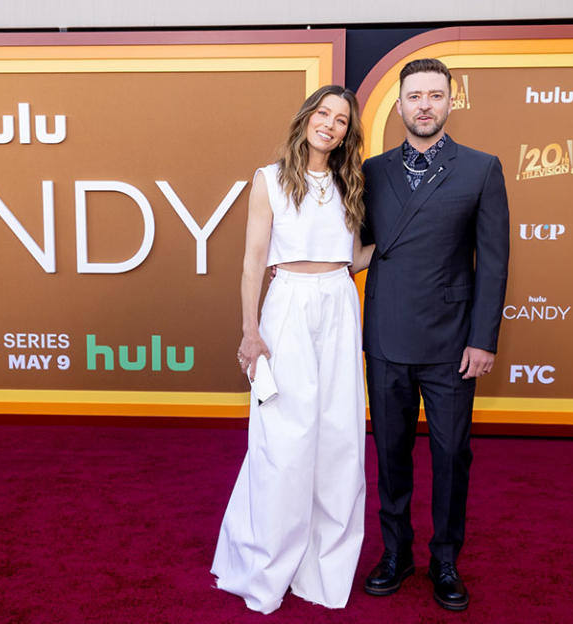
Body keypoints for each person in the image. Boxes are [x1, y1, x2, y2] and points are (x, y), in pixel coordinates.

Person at [211, 85, 374, 614]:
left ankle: (323, 570)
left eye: (342, 120)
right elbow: (252, 262)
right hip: (286, 310)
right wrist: (250, 331)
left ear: (349, 133)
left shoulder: (352, 183)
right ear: (306, 118)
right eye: (323, 113)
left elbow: (353, 258)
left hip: (339, 307)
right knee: (283, 443)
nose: (330, 124)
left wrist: (422, 241)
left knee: (339, 439)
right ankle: (265, 565)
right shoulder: (270, 179)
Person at [359, 58, 509, 611]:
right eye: (414, 95)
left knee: (451, 455)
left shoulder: (481, 169)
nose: (424, 104)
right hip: (387, 337)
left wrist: (483, 339)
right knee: (390, 454)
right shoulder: (371, 171)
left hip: (452, 344)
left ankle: (445, 559)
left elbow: (492, 263)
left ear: (451, 102)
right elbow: (351, 244)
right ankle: (395, 553)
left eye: (435, 95)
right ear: (398, 105)